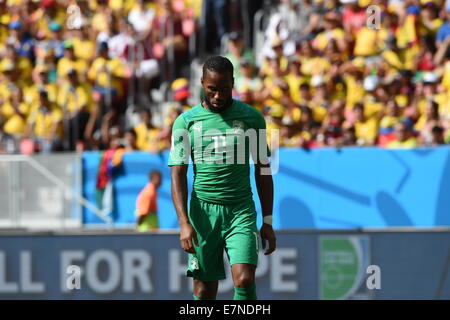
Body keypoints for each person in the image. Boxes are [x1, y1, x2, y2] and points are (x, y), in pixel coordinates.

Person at [168, 56, 276, 300]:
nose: (218, 96)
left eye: (224, 89)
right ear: (202, 84)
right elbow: (177, 173)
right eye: (212, 89)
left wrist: (267, 220)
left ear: (233, 83)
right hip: (202, 215)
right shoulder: (185, 122)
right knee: (204, 291)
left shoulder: (252, 118)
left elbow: (264, 169)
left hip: (241, 210)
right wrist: (184, 222)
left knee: (245, 279)